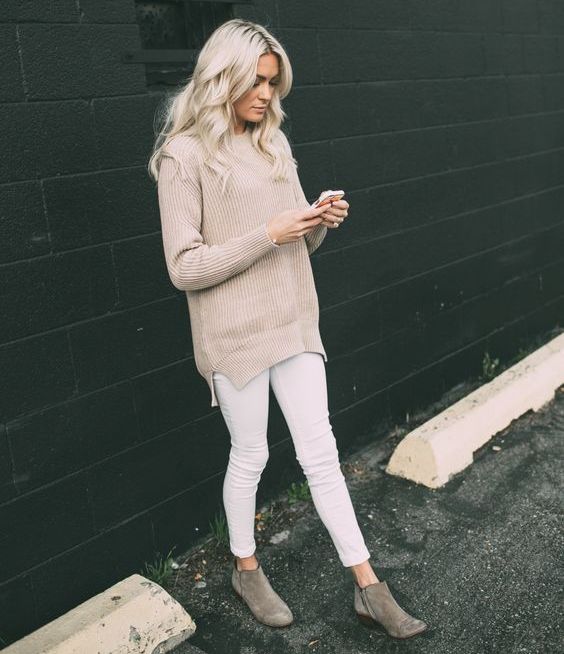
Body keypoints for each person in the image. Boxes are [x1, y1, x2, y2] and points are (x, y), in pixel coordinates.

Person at [149, 18, 428, 640]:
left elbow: (294, 240)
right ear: (222, 77)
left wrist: (317, 220)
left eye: (273, 83)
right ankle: (245, 569)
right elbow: (183, 267)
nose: (266, 95)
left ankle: (369, 586)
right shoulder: (183, 157)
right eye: (256, 81)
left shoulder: (272, 142)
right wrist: (268, 233)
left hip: (294, 321)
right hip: (234, 336)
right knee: (251, 454)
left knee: (320, 453)